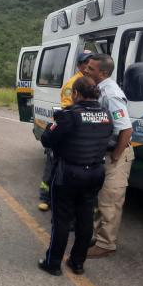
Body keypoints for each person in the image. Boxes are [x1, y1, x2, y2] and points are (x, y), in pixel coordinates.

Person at [37, 77, 113, 276]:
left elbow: (47, 140)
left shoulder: (69, 115)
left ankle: (53, 263)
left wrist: (52, 124)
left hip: (69, 174)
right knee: (85, 218)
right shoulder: (106, 114)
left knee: (61, 220)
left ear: (76, 94)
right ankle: (77, 262)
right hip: (95, 173)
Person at [84, 54, 134, 258]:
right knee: (99, 199)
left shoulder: (111, 94)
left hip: (116, 154)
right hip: (103, 152)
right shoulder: (100, 90)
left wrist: (115, 156)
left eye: (91, 68)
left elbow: (126, 129)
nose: (86, 70)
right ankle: (98, 236)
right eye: (87, 66)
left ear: (103, 73)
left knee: (109, 200)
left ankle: (106, 244)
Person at [38, 51, 93, 211]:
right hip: (68, 128)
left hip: (82, 131)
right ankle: (45, 197)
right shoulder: (73, 83)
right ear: (80, 65)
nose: (89, 67)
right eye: (86, 63)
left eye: (91, 64)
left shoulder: (91, 82)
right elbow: (67, 108)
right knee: (53, 162)